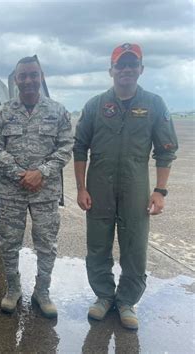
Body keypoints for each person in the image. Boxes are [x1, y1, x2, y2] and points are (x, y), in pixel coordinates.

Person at [73, 43, 178, 330]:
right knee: (98, 245)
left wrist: (160, 190)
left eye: (133, 65)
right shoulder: (95, 105)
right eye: (121, 65)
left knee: (134, 246)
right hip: (99, 186)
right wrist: (81, 188)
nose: (127, 70)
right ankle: (104, 297)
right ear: (112, 70)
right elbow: (80, 148)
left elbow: (166, 150)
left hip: (135, 186)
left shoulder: (154, 104)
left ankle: (127, 301)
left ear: (141, 70)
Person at [0, 56, 73, 318]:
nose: (28, 80)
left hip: (45, 192)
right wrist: (20, 174)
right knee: (9, 242)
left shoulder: (58, 112)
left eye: (33, 75)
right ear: (16, 80)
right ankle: (13, 290)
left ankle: (42, 292)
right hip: (12, 192)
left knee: (47, 243)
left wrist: (42, 173)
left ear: (42, 77)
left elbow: (66, 146)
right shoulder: (2, 113)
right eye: (23, 76)